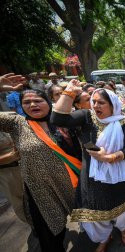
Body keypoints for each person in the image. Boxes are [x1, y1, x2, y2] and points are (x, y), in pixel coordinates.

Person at [51, 82, 125, 252]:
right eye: (94, 101)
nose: (95, 105)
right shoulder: (86, 116)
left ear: (112, 105)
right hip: (92, 176)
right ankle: (104, 237)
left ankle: (123, 228)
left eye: (101, 103)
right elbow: (57, 119)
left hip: (119, 173)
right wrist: (69, 92)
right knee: (96, 209)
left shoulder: (124, 121)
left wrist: (110, 157)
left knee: (122, 207)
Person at [0, 80, 81, 251]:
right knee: (50, 235)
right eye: (26, 102)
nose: (32, 104)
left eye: (38, 100)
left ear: (48, 102)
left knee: (90, 221)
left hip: (71, 185)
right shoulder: (17, 124)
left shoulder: (63, 121)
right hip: (40, 192)